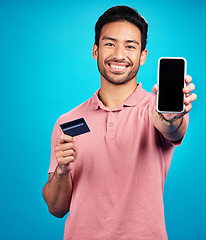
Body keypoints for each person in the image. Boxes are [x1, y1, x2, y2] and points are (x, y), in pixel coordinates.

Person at [42, 5, 197, 240]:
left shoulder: (154, 109)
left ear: (142, 56)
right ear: (96, 51)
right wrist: (62, 171)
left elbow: (172, 129)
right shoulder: (68, 121)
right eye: (110, 43)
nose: (119, 55)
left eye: (130, 46)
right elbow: (56, 209)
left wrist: (170, 118)